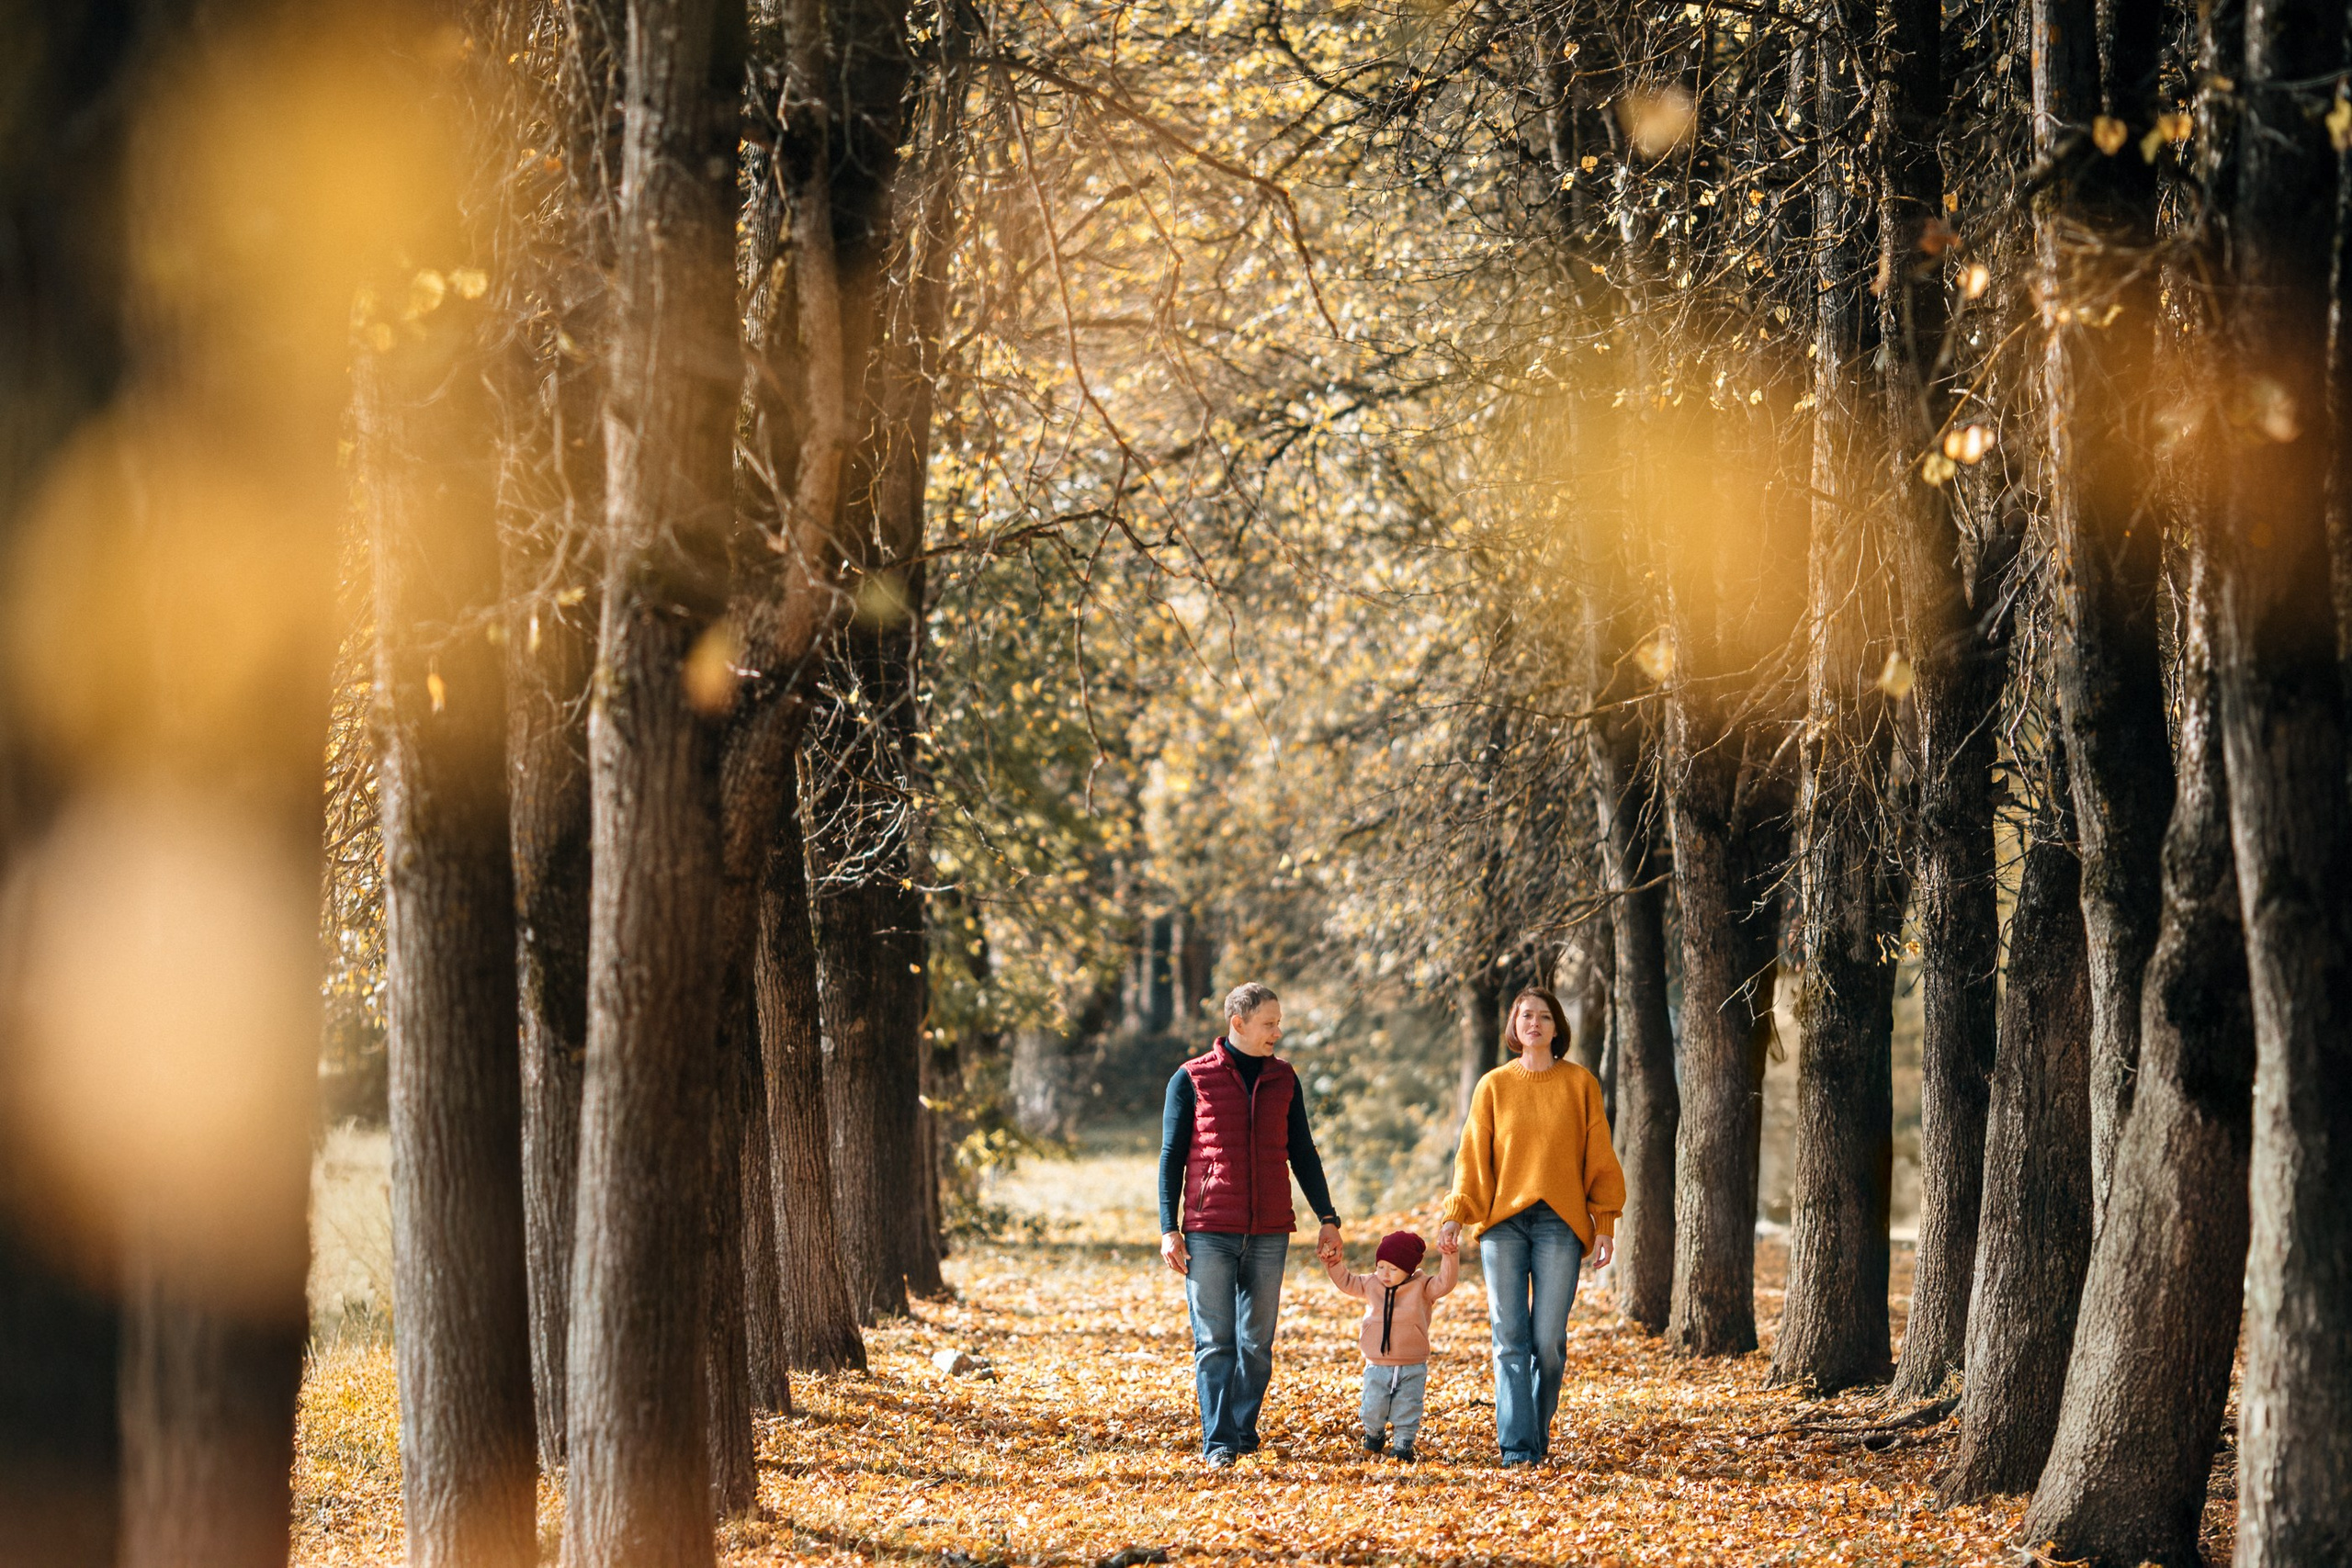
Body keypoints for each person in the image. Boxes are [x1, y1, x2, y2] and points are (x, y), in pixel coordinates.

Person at [1159, 982, 1343, 1468]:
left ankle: (1242, 1431)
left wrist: (1327, 1217)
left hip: (1269, 1231)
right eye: (1269, 1024)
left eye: (1279, 1023)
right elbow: (1172, 1156)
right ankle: (1219, 1443)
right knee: (1214, 1342)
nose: (1277, 1033)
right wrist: (1168, 1227)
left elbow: (1303, 1152)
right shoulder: (1191, 1078)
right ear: (1238, 1023)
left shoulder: (1284, 1078)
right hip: (1209, 1230)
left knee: (1257, 1344)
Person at [1438, 987, 1624, 1466]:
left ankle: (1533, 1435)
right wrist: (1457, 1213)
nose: (1534, 1024)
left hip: (1560, 1224)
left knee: (1548, 1342)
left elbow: (1599, 1157)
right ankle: (1519, 1450)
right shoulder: (1493, 1086)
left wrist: (1604, 1221)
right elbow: (1472, 1156)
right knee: (1509, 1339)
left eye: (1544, 1016)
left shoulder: (1580, 1084)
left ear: (1557, 1027)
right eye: (1526, 1016)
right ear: (1514, 1026)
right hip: (1503, 1224)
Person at [1325, 1227, 1461, 1462]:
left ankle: (1403, 1445)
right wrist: (1333, 1263)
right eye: (1380, 1266)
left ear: (1408, 1270)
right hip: (1377, 1364)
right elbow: (1346, 1282)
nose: (1385, 1274)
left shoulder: (1422, 1287)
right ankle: (1374, 1434)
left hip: (1412, 1364)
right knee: (1373, 1406)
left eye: (1393, 1269)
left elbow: (1445, 1282)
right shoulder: (1371, 1283)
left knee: (1408, 1406)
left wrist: (1449, 1255)